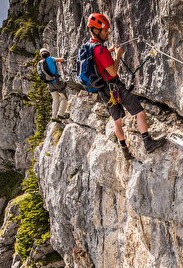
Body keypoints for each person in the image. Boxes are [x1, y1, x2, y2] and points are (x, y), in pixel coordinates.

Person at [87, 12, 166, 159]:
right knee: (139, 111)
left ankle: (124, 151)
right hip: (114, 87)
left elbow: (100, 62)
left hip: (104, 90)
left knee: (117, 120)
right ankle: (147, 142)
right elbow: (112, 70)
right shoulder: (100, 49)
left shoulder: (91, 47)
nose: (108, 33)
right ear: (96, 31)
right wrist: (117, 55)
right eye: (105, 30)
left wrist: (108, 52)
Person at [37, 48, 69, 121]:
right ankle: (60, 114)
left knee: (55, 100)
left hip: (50, 84)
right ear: (48, 53)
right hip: (57, 82)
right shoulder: (50, 59)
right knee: (64, 98)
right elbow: (61, 60)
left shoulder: (41, 62)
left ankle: (54, 117)